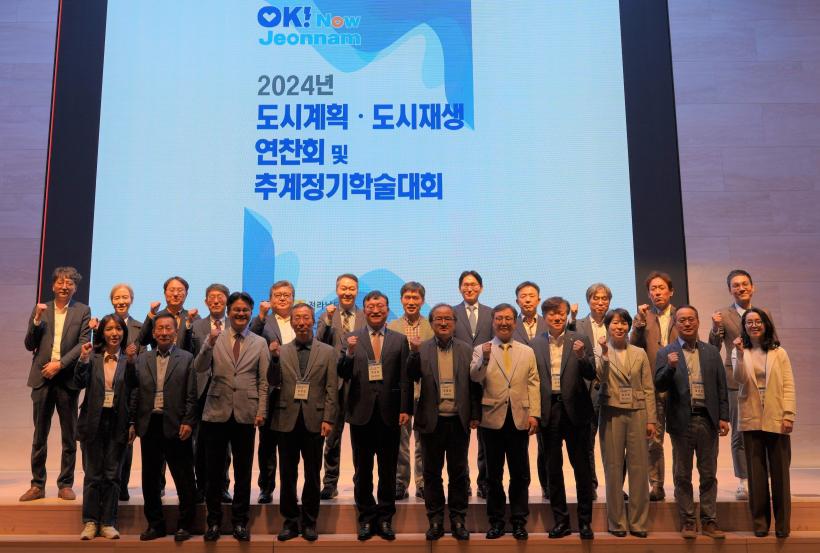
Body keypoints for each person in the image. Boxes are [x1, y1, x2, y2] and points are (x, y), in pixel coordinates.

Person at [195, 291, 269, 542]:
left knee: (243, 472)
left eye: (245, 310)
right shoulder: (215, 337)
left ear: (250, 313)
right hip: (216, 412)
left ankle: (240, 522)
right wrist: (208, 344)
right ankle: (213, 522)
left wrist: (261, 411)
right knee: (213, 472)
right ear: (228, 312)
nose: (240, 313)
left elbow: (263, 381)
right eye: (236, 309)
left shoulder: (260, 342)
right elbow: (199, 367)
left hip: (246, 413)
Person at [337, 291, 412, 541]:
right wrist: (349, 353)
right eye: (370, 306)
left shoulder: (399, 340)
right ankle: (367, 518)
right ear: (364, 310)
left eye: (380, 306)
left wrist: (405, 408)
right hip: (361, 412)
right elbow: (343, 373)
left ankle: (385, 518)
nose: (375, 310)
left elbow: (405, 378)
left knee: (388, 470)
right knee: (363, 470)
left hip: (390, 414)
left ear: (387, 310)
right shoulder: (352, 338)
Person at [654, 305, 730, 540]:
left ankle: (709, 521)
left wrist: (724, 416)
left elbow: (721, 387)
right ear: (675, 324)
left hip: (707, 419)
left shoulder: (711, 352)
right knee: (682, 474)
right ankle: (688, 521)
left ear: (698, 322)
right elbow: (659, 385)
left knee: (708, 474)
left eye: (691, 319)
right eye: (682, 320)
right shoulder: (666, 352)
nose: (687, 324)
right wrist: (670, 367)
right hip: (681, 421)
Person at [408, 304, 480, 541]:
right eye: (438, 319)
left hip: (458, 421)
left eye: (448, 318)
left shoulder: (466, 349)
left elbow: (474, 385)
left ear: (455, 323)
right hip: (432, 421)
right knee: (431, 473)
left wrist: (475, 414)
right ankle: (436, 520)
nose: (443, 323)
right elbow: (411, 376)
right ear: (431, 323)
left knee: (458, 473)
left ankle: (458, 520)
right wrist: (413, 353)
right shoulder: (422, 348)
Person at [470, 303, 540, 540]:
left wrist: (534, 413)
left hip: (519, 419)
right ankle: (496, 521)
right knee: (493, 475)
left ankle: (519, 521)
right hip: (491, 420)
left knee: (520, 474)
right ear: (492, 322)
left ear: (515, 322)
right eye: (499, 318)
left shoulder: (527, 351)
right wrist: (485, 358)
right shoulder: (481, 349)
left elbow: (534, 383)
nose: (504, 323)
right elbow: (474, 377)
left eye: (508, 318)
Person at [21, 266, 90, 502]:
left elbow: (82, 343)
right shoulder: (41, 309)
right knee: (39, 436)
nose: (64, 286)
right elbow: (29, 344)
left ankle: (65, 484)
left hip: (67, 380)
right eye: (60, 282)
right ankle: (37, 484)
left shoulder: (82, 311)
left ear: (75, 288)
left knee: (69, 437)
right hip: (41, 379)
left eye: (69, 283)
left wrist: (59, 365)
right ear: (53, 286)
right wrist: (36, 320)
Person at [270, 303, 338, 542]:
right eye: (297, 318)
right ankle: (289, 522)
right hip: (285, 420)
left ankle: (309, 522)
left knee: (312, 474)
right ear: (291, 322)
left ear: (313, 321)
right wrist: (273, 359)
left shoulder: (328, 352)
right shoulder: (281, 350)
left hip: (315, 421)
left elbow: (331, 388)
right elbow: (271, 382)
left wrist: (328, 418)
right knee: (287, 475)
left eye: (306, 318)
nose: (301, 322)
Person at [128, 312, 198, 542]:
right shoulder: (142, 359)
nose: (164, 332)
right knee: (150, 479)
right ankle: (155, 525)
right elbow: (135, 392)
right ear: (154, 332)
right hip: (149, 424)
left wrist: (188, 421)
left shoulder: (187, 358)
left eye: (169, 328)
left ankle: (185, 525)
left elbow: (191, 394)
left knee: (184, 477)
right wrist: (132, 422)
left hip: (177, 425)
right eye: (160, 328)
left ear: (175, 332)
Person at [531, 297, 596, 540]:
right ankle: (561, 521)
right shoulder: (535, 343)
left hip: (576, 411)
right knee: (553, 469)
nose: (557, 317)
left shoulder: (580, 339)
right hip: (549, 411)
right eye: (551, 314)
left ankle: (585, 522)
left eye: (561, 313)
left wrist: (581, 356)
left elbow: (591, 373)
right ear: (545, 317)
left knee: (582, 469)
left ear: (567, 315)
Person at [708, 269, 776, 500]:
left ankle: (765, 478)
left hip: (762, 378)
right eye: (736, 285)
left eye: (745, 284)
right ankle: (744, 480)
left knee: (765, 428)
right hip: (735, 380)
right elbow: (713, 346)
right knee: (739, 432)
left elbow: (773, 342)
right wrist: (715, 327)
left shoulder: (764, 313)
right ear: (730, 290)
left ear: (752, 287)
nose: (741, 288)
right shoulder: (723, 315)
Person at [735, 308, 795, 538]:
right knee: (756, 476)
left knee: (780, 474)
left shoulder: (779, 352)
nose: (754, 325)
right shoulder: (740, 351)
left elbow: (788, 384)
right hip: (751, 418)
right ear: (744, 327)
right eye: (749, 322)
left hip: (776, 417)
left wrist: (788, 414)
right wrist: (740, 355)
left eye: (758, 321)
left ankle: (782, 525)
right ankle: (760, 523)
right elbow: (739, 379)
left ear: (765, 324)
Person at [596, 308, 656, 537]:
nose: (619, 327)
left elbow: (648, 387)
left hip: (638, 412)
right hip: (611, 412)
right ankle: (617, 523)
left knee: (639, 469)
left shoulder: (639, 353)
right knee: (613, 469)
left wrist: (652, 419)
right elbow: (600, 378)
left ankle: (639, 523)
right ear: (607, 326)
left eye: (623, 323)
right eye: (614, 323)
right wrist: (604, 354)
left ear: (629, 327)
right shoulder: (600, 350)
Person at [74, 315, 133, 540]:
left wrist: (132, 423)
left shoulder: (129, 360)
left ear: (124, 332)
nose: (114, 333)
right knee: (93, 475)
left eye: (118, 329)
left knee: (112, 475)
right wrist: (83, 359)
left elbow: (135, 393)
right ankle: (90, 522)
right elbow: (79, 382)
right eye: (109, 329)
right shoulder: (93, 357)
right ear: (102, 333)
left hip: (118, 423)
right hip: (93, 422)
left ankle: (108, 522)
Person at [630, 270, 678, 501]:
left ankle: (681, 484)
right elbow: (633, 345)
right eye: (653, 289)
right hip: (653, 385)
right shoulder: (643, 318)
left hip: (678, 386)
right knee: (653, 440)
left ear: (671, 291)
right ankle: (656, 486)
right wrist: (639, 323)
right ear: (649, 294)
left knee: (680, 439)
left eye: (661, 288)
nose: (657, 292)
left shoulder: (682, 315)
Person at [317, 273, 365, 500]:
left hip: (359, 384)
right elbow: (318, 342)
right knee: (332, 439)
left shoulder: (366, 316)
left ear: (357, 290)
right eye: (343, 288)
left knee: (360, 441)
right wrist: (327, 320)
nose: (347, 292)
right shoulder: (326, 315)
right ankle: (330, 483)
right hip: (333, 384)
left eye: (351, 288)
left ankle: (361, 483)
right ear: (337, 290)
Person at [249, 280, 296, 504]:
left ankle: (290, 489)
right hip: (269, 389)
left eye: (287, 294)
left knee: (291, 446)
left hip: (295, 391)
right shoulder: (264, 322)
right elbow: (251, 336)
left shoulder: (302, 319)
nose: (283, 298)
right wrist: (260, 316)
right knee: (267, 444)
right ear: (270, 299)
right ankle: (266, 488)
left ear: (293, 298)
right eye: (278, 295)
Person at [388, 281, 433, 500]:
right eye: (407, 297)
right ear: (401, 300)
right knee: (400, 441)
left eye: (416, 298)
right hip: (400, 392)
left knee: (424, 441)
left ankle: (423, 482)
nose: (411, 302)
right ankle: (400, 482)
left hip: (426, 391)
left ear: (422, 301)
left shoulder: (432, 327)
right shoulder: (391, 326)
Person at [190, 283, 232, 504]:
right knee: (200, 442)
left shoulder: (235, 324)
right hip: (202, 389)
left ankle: (222, 486)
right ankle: (201, 486)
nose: (216, 301)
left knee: (225, 444)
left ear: (227, 300)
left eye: (220, 297)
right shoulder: (196, 326)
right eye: (212, 297)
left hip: (226, 388)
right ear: (206, 301)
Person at [453, 270, 493, 498]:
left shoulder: (491, 313)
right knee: (460, 439)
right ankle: (463, 482)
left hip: (486, 380)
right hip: (459, 380)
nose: (469, 288)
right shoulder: (452, 313)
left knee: (486, 438)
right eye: (465, 285)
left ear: (481, 287)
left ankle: (484, 482)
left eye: (474, 284)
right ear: (460, 288)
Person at [573, 283, 612, 501]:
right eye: (595, 298)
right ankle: (591, 485)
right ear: (588, 300)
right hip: (587, 390)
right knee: (587, 441)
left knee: (613, 442)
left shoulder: (616, 323)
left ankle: (615, 486)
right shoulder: (577, 325)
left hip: (611, 388)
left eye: (604, 298)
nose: (600, 302)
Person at [107, 283, 143, 502]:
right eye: (117, 298)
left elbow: (144, 358)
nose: (121, 301)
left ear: (131, 300)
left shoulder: (140, 327)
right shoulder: (103, 324)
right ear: (112, 301)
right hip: (107, 387)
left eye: (125, 297)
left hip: (130, 388)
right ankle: (107, 483)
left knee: (127, 440)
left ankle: (122, 485)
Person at [137, 275, 199, 352]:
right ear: (165, 293)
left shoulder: (194, 318)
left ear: (186, 294)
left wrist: (189, 323)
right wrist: (152, 313)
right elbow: (143, 341)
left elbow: (196, 348)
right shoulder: (156, 316)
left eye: (180, 290)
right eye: (172, 290)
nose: (175, 294)